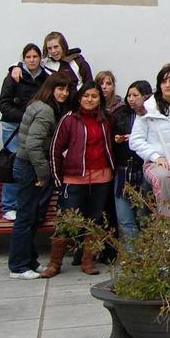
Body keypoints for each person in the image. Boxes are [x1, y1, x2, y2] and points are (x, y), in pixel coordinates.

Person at [8, 73, 73, 278]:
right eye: (60, 89)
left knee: (32, 217)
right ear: (50, 89)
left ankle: (29, 260)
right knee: (26, 217)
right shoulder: (46, 111)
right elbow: (33, 145)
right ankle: (18, 266)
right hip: (30, 167)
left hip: (28, 165)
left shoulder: (40, 105)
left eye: (67, 89)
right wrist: (44, 174)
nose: (64, 93)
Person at [49, 81, 115, 276]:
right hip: (74, 178)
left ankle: (88, 261)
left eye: (94, 96)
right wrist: (57, 178)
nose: (90, 99)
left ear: (100, 99)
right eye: (86, 96)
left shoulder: (107, 118)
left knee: (95, 220)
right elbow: (55, 149)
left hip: (101, 177)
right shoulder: (69, 119)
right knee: (67, 221)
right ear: (79, 98)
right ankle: (54, 264)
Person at [129, 63, 170, 218]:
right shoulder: (147, 109)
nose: (167, 85)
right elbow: (135, 140)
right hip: (155, 163)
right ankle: (167, 224)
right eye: (163, 81)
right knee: (164, 177)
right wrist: (155, 157)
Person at [0, 44, 47, 220]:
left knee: (31, 164)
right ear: (23, 59)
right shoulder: (13, 76)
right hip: (13, 126)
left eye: (35, 56)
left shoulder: (45, 77)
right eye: (28, 57)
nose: (32, 60)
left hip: (35, 127)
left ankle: (25, 205)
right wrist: (24, 117)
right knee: (14, 164)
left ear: (40, 58)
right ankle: (9, 206)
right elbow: (4, 104)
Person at [111, 79, 150, 240]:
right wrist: (117, 139)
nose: (131, 99)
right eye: (129, 95)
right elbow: (110, 136)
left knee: (143, 216)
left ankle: (146, 252)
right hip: (123, 169)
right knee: (125, 217)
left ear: (146, 96)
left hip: (143, 169)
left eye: (136, 95)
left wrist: (136, 139)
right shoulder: (120, 113)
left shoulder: (152, 114)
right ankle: (131, 253)